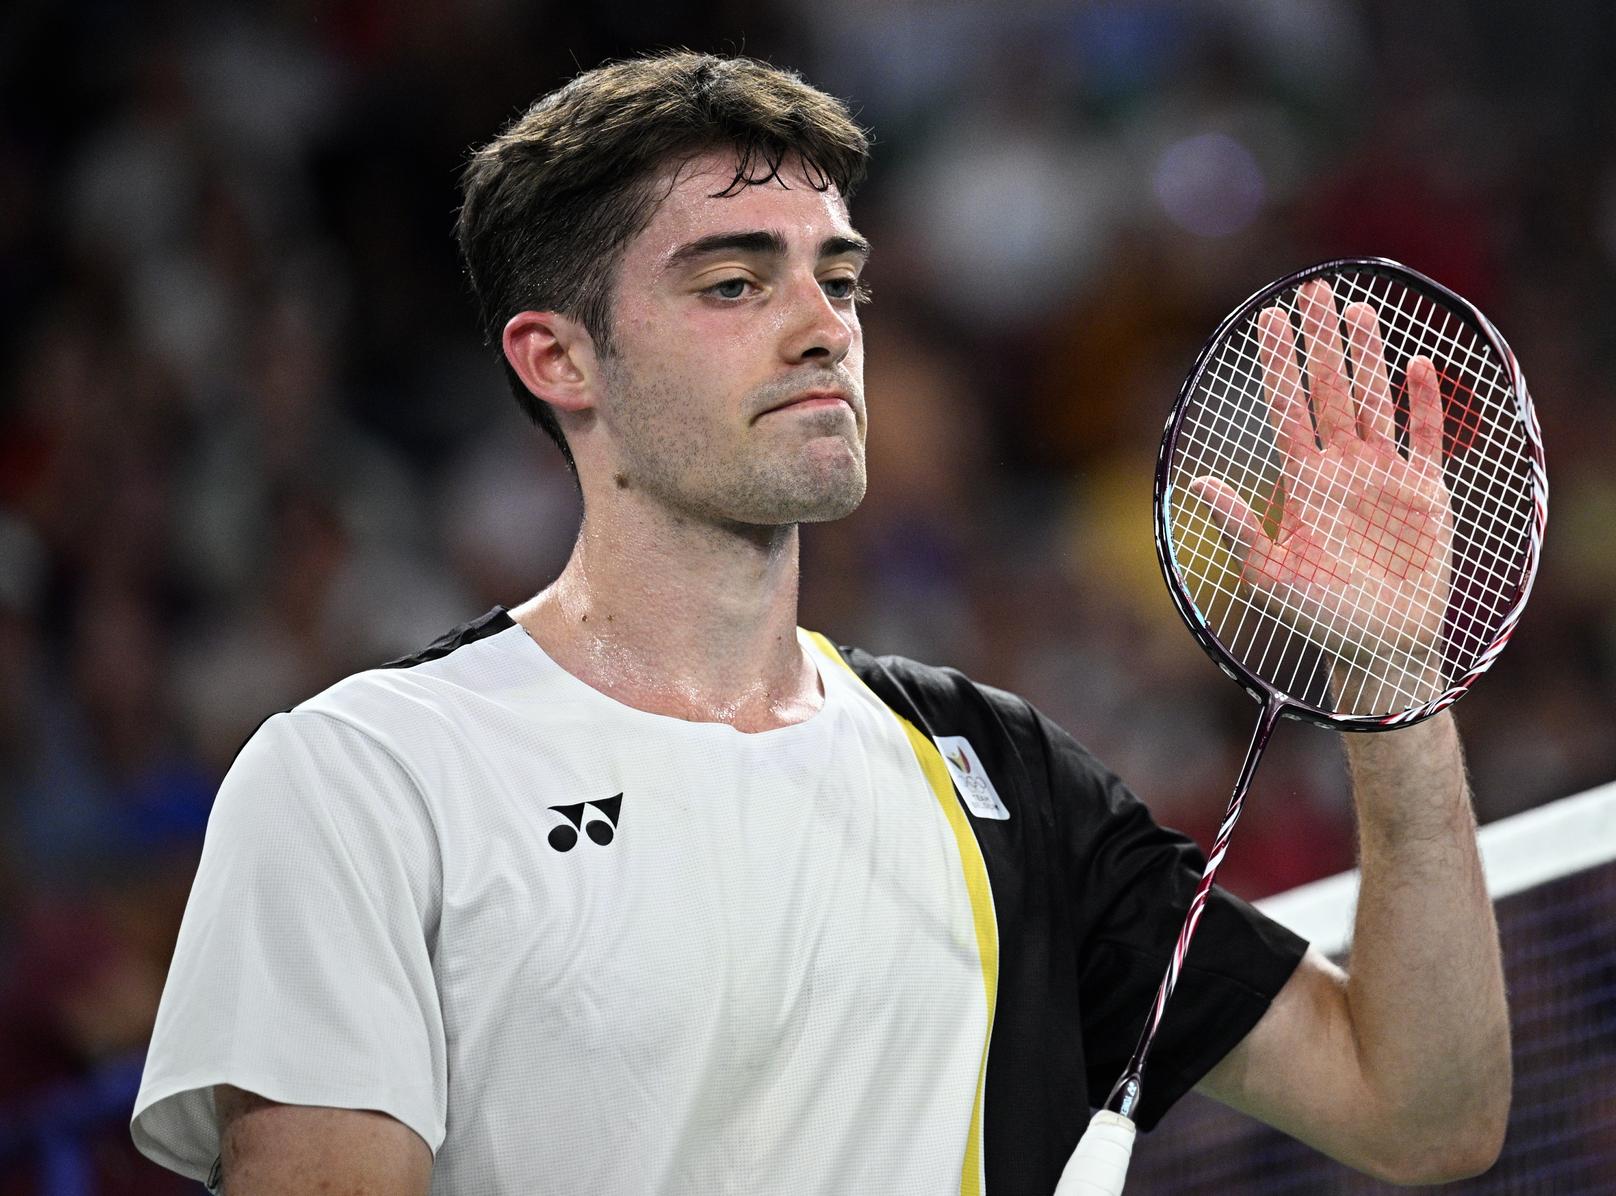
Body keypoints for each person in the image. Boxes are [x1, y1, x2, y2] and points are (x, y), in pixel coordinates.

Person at [130, 51, 1509, 1194]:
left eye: (838, 280)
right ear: (559, 358)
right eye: (735, 284)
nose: (822, 328)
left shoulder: (1003, 774)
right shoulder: (370, 777)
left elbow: (1421, 1110)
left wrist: (1395, 683)